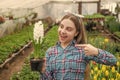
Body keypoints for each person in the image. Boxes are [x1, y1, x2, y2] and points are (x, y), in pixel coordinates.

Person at [40, 13, 117, 80]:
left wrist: (96, 51)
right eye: (61, 26)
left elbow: (112, 60)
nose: (62, 31)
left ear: (76, 33)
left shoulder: (82, 51)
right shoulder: (50, 52)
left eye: (68, 29)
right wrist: (43, 71)